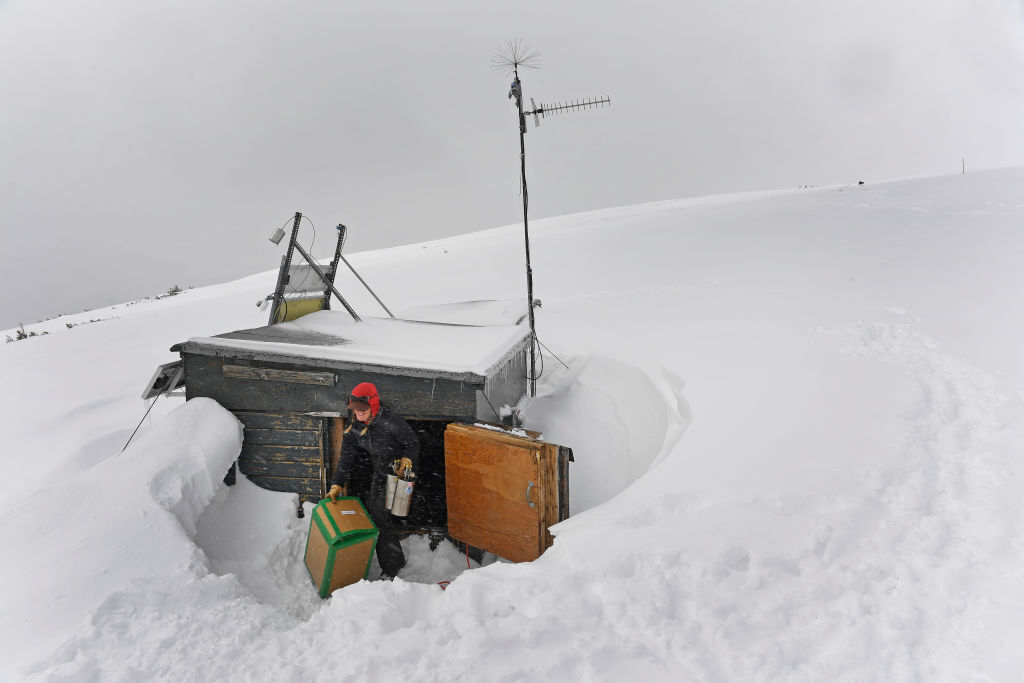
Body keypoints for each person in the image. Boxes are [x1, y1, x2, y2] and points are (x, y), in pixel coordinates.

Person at [327, 381, 418, 580]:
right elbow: (346, 456)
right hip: (380, 473)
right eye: (354, 409)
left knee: (379, 516)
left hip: (398, 473)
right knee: (377, 515)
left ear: (373, 404)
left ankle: (391, 568)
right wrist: (337, 483)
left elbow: (412, 442)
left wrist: (408, 458)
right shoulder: (355, 426)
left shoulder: (391, 422)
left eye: (362, 409)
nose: (358, 413)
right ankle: (396, 560)